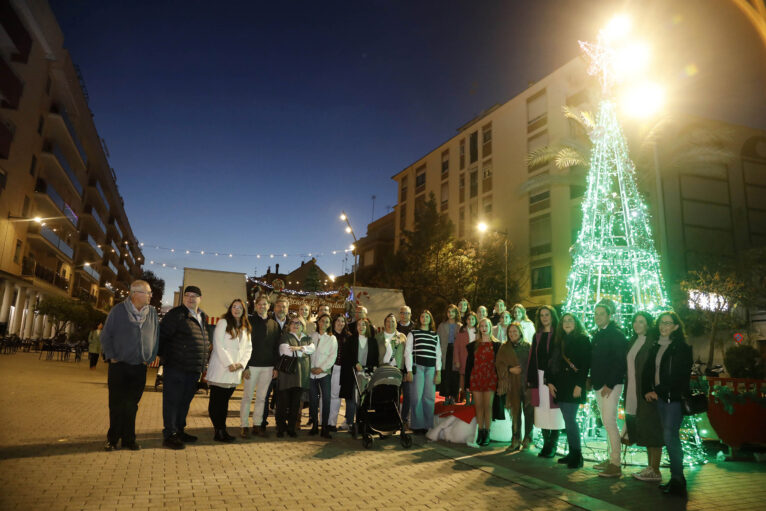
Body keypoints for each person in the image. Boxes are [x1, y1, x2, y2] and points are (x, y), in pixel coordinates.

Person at [100, 280, 159, 451]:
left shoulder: (152, 313)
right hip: (119, 366)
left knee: (132, 405)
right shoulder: (119, 310)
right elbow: (106, 335)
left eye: (150, 293)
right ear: (134, 294)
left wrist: (152, 355)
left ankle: (128, 439)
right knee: (116, 404)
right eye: (147, 293)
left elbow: (156, 335)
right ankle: (112, 439)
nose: (150, 296)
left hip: (140, 366)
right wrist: (111, 356)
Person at [643, 311, 693, 498]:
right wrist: (647, 390)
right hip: (661, 399)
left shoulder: (681, 347)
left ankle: (678, 479)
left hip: (673, 398)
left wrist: (660, 390)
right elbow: (649, 371)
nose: (663, 326)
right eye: (661, 323)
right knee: (669, 437)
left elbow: (678, 377)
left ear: (676, 327)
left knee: (670, 436)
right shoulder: (656, 346)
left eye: (668, 323)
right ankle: (675, 479)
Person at [159, 285, 209, 450]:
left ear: (200, 299)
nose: (190, 298)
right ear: (183, 298)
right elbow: (162, 337)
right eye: (187, 295)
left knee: (184, 402)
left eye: (194, 296)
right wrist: (168, 359)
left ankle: (179, 430)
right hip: (176, 368)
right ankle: (170, 434)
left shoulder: (202, 316)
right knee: (172, 402)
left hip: (193, 369)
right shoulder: (176, 315)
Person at [546, 313, 591, 468]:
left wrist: (579, 385)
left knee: (570, 420)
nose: (567, 323)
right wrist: (550, 382)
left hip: (574, 385)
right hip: (561, 384)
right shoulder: (559, 340)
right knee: (567, 419)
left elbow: (585, 364)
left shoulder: (583, 339)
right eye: (564, 321)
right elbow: (551, 362)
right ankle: (572, 452)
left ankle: (577, 456)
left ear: (576, 323)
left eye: (570, 320)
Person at [590, 298, 629, 478]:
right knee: (607, 423)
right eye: (596, 314)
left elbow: (619, 362)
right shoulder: (598, 333)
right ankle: (610, 458)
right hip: (599, 384)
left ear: (609, 315)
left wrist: (609, 384)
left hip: (610, 386)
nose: (598, 317)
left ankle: (615, 463)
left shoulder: (616, 334)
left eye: (601, 314)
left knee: (610, 422)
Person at [623, 312, 664, 482]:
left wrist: (653, 388)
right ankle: (650, 467)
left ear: (648, 325)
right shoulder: (633, 341)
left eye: (642, 322)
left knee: (653, 429)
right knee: (645, 428)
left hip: (647, 391)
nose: (637, 324)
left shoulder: (652, 342)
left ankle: (655, 469)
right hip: (633, 389)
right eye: (635, 321)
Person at [206, 299, 252, 443]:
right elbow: (219, 345)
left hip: (235, 371)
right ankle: (218, 431)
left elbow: (248, 348)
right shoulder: (223, 323)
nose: (236, 309)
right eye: (234, 307)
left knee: (224, 402)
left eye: (240, 307)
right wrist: (229, 363)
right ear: (230, 309)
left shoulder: (245, 327)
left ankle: (222, 430)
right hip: (222, 368)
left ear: (244, 310)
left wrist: (241, 364)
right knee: (217, 402)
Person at [240, 295, 281, 438]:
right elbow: (243, 345)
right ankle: (244, 426)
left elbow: (277, 348)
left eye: (265, 304)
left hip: (268, 367)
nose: (262, 307)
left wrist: (276, 367)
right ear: (255, 306)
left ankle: (257, 425)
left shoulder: (274, 324)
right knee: (247, 397)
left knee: (262, 398)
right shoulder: (249, 321)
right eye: (260, 304)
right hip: (252, 366)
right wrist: (244, 366)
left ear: (269, 306)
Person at [527, 305, 564, 458]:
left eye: (547, 314)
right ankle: (546, 442)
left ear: (552, 316)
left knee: (554, 411)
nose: (544, 317)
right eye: (542, 315)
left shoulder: (559, 335)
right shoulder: (537, 335)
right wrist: (530, 378)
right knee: (541, 410)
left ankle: (553, 444)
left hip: (554, 377)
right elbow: (531, 357)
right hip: (539, 376)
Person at [276, 316, 315, 437]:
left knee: (295, 404)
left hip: (301, 376)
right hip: (287, 375)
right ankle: (281, 428)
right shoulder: (285, 336)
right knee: (283, 403)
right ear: (289, 325)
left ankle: (291, 428)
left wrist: (298, 348)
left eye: (299, 323)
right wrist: (303, 351)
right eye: (293, 323)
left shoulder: (308, 338)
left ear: (303, 326)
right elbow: (285, 351)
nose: (296, 325)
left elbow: (312, 349)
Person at [339, 318, 379, 437]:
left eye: (363, 325)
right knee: (351, 399)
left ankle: (362, 422)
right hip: (352, 374)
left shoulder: (372, 341)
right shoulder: (351, 340)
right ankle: (350, 422)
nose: (361, 327)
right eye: (359, 325)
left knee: (364, 399)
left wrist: (372, 369)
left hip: (366, 374)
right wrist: (355, 363)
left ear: (367, 327)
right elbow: (346, 356)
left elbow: (375, 358)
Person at [404, 310, 441, 435]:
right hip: (417, 367)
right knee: (416, 397)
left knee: (429, 398)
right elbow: (407, 352)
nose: (424, 318)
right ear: (419, 319)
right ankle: (417, 425)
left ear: (430, 319)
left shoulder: (435, 335)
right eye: (422, 316)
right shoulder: (413, 333)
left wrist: (438, 372)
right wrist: (409, 370)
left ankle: (427, 424)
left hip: (430, 369)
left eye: (427, 317)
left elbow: (438, 354)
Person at [259, 295, 290, 430]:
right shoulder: (268, 321)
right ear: (274, 308)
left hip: (286, 367)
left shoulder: (292, 323)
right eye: (279, 306)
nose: (281, 309)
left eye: (284, 306)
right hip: (270, 366)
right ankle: (262, 422)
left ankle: (280, 423)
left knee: (283, 398)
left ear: (287, 309)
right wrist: (273, 366)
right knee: (264, 396)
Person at [504, 321, 533, 451]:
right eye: (510, 332)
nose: (512, 334)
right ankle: (515, 439)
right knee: (515, 412)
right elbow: (499, 364)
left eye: (515, 331)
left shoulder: (528, 346)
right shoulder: (505, 348)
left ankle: (528, 438)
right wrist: (509, 369)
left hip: (527, 384)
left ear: (520, 332)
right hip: (512, 385)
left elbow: (533, 365)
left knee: (529, 412)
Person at [308, 313, 338, 438]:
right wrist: (311, 368)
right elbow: (307, 353)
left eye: (327, 322)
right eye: (322, 321)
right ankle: (314, 425)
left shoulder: (332, 338)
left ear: (329, 325)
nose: (324, 324)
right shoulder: (311, 336)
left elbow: (333, 356)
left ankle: (324, 427)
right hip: (311, 374)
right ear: (318, 322)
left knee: (326, 400)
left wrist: (321, 369)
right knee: (313, 400)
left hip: (324, 373)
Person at [327, 314, 351, 431]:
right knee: (325, 395)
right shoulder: (328, 335)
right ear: (334, 322)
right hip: (328, 368)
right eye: (338, 321)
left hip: (341, 369)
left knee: (336, 397)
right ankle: (323, 422)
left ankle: (332, 423)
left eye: (343, 321)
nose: (340, 323)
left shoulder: (348, 337)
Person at [436, 304, 462, 405]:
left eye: (453, 311)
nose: (450, 314)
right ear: (446, 313)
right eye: (449, 312)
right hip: (445, 351)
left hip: (455, 352)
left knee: (454, 375)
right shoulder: (442, 325)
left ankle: (453, 396)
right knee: (446, 375)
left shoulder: (460, 326)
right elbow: (437, 340)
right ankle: (446, 396)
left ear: (456, 313)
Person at [454, 312, 478, 403]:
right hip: (464, 358)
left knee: (474, 378)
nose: (470, 321)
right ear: (466, 320)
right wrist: (456, 360)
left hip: (476, 359)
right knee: (464, 378)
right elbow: (456, 347)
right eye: (469, 319)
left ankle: (474, 399)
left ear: (476, 320)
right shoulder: (462, 331)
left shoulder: (479, 331)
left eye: (473, 319)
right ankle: (466, 398)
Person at [397, 305, 414, 422]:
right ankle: (394, 417)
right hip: (397, 365)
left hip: (409, 366)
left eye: (407, 313)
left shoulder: (415, 328)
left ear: (410, 315)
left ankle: (403, 419)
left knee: (408, 394)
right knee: (395, 394)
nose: (404, 315)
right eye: (402, 313)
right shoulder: (394, 326)